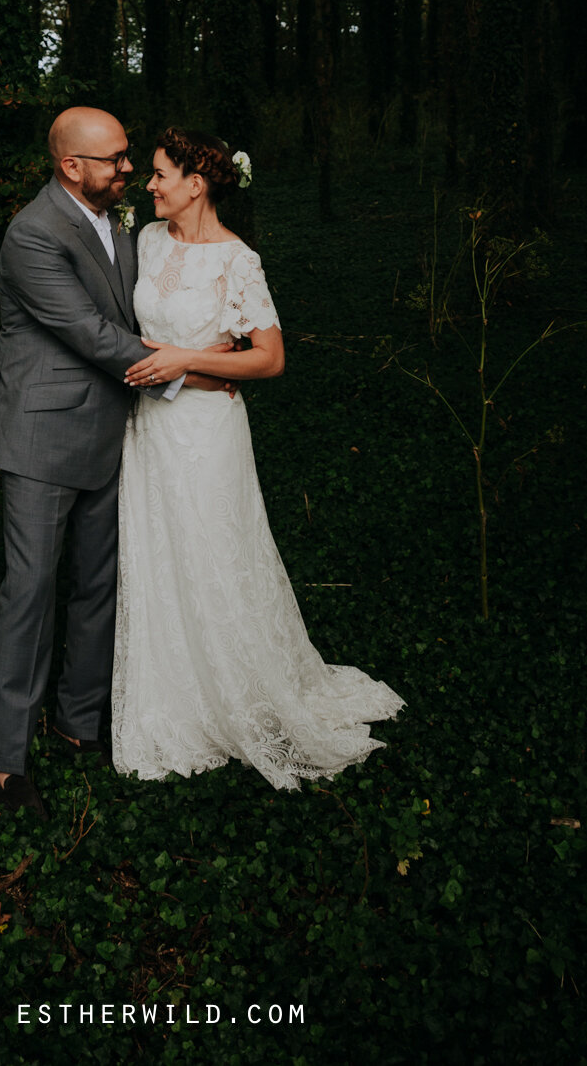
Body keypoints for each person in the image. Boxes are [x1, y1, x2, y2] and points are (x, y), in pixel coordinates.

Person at [114, 127, 403, 787]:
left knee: (214, 550)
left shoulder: (236, 260)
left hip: (206, 430)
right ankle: (174, 697)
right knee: (159, 553)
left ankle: (239, 689)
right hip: (148, 426)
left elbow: (269, 357)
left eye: (160, 174)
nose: (149, 184)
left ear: (197, 183)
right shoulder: (148, 241)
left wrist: (187, 359)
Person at [0, 106, 232, 816]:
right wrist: (192, 371)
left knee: (98, 582)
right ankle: (6, 763)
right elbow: (92, 335)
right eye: (115, 159)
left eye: (128, 158)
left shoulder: (119, 225)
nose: (128, 168)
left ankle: (77, 720)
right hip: (43, 438)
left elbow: (140, 313)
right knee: (30, 591)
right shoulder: (32, 234)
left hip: (115, 430)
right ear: (71, 168)